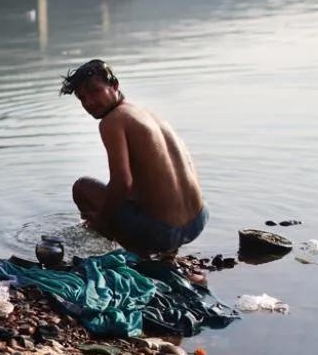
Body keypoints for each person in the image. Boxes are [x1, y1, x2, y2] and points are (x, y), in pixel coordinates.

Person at [60, 59, 208, 257]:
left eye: (95, 91)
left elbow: (123, 183)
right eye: (82, 98)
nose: (89, 103)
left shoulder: (112, 121)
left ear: (114, 85)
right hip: (198, 220)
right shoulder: (146, 114)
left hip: (165, 233)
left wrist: (100, 222)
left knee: (82, 189)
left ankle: (140, 256)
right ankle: (168, 255)